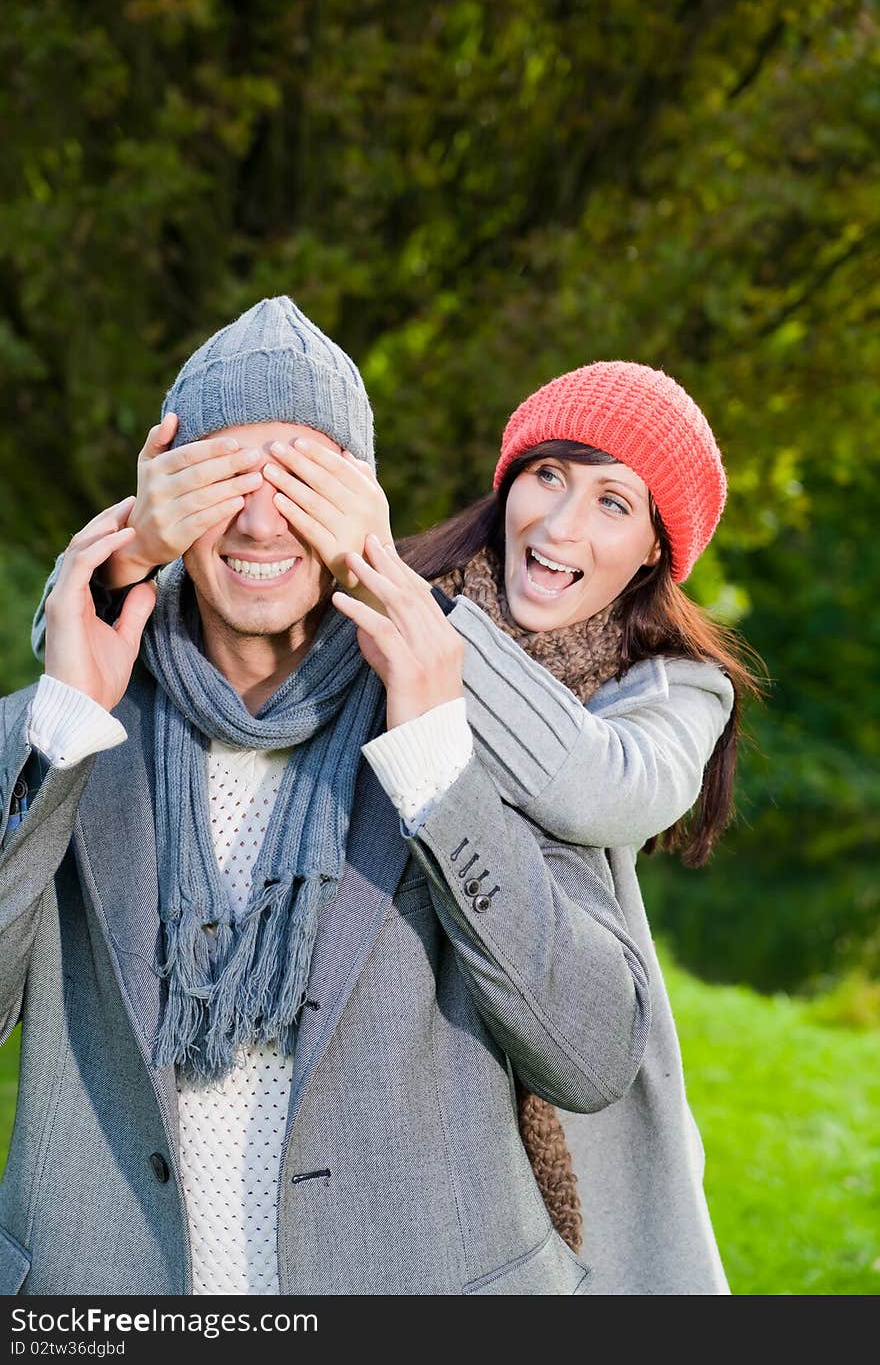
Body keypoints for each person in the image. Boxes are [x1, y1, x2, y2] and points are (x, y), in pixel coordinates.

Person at [0, 297, 650, 1296]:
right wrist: (62, 722)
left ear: (362, 506)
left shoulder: (462, 703)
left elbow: (590, 1051)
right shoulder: (70, 719)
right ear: (161, 491)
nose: (262, 519)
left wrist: (436, 757)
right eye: (223, 477)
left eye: (300, 479)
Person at [232, 359, 762, 1294]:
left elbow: (599, 783)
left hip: (576, 1098)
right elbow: (224, 619)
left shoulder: (680, 688)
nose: (560, 526)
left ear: (652, 549)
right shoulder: (389, 600)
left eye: (612, 502)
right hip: (382, 1079)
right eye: (548, 476)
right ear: (509, 483)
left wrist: (422, 622)